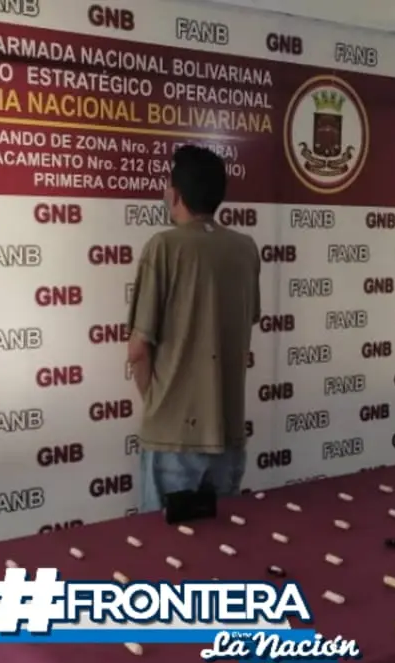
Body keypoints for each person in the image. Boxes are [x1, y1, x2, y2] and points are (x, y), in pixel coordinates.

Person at [126, 145, 262, 513]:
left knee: (166, 546)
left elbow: (138, 349)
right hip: (228, 437)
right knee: (225, 544)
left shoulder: (163, 247)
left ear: (175, 194)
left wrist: (157, 405)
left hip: (172, 439)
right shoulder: (246, 249)